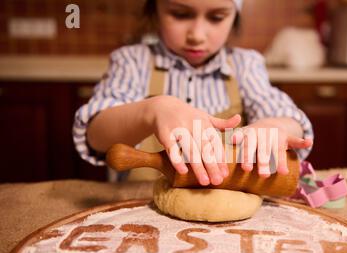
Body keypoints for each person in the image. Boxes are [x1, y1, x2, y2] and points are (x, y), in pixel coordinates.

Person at [73, 0, 314, 186]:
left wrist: (276, 126)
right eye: (180, 14)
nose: (197, 35)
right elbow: (96, 135)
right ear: (154, 7)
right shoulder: (132, 62)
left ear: (234, 16)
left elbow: (291, 121)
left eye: (217, 17)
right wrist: (152, 111)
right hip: (137, 207)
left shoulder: (245, 66)